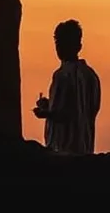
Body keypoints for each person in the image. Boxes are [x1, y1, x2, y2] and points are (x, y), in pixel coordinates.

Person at [33, 19, 101, 155]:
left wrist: (47, 113)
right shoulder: (91, 75)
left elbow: (68, 112)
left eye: (63, 43)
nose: (59, 47)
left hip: (63, 149)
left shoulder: (62, 75)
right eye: (58, 43)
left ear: (78, 46)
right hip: (85, 147)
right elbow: (88, 109)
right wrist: (50, 105)